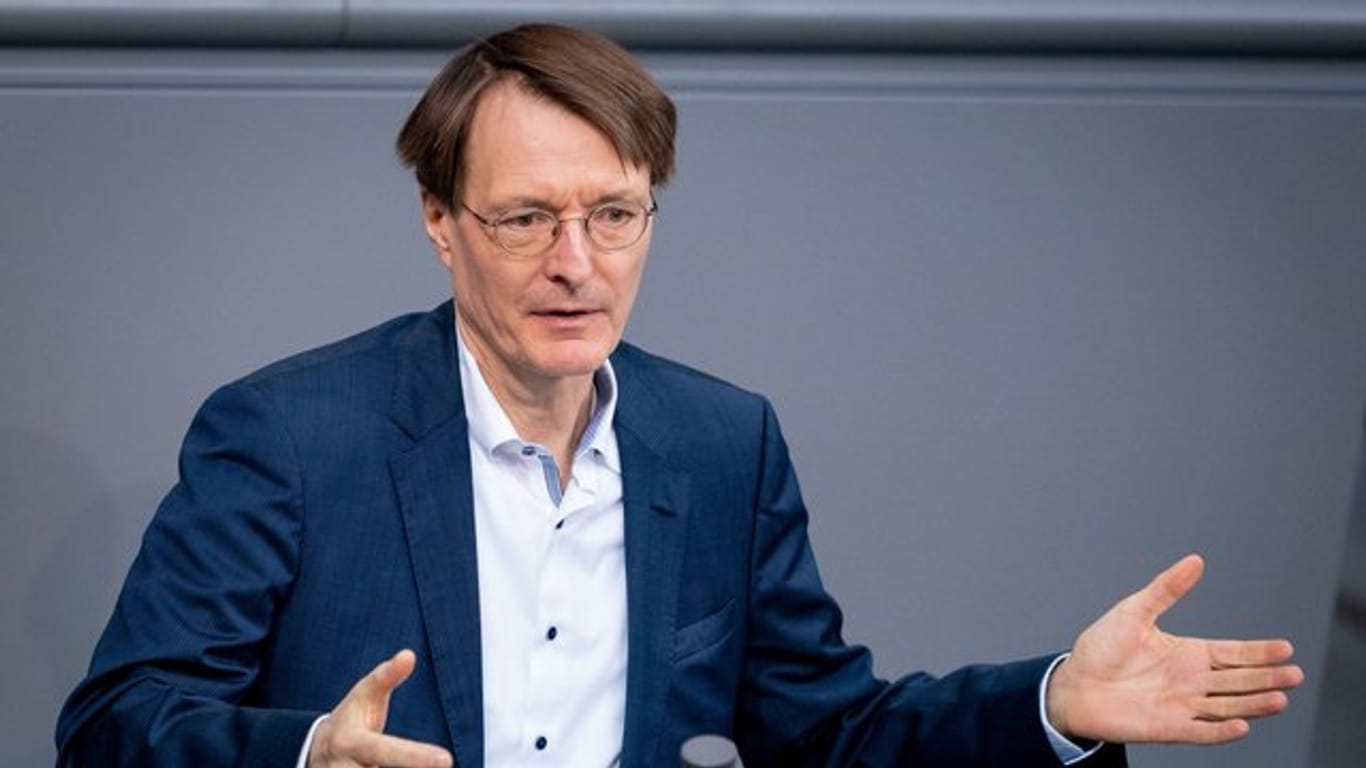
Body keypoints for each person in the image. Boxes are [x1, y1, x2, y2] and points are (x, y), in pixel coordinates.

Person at [55, 23, 1303, 768]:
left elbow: (830, 737)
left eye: (613, 213)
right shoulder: (286, 432)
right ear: (439, 221)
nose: (576, 262)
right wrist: (308, 751)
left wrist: (1052, 705)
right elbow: (115, 726)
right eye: (526, 216)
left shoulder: (719, 442)